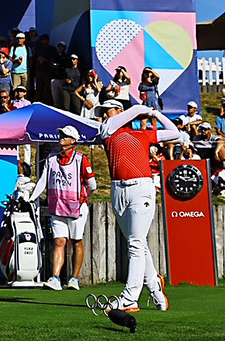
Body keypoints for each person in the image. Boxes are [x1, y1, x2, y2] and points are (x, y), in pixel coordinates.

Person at [98, 100, 180, 311]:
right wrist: (142, 110)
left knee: (135, 243)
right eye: (104, 111)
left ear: (120, 111)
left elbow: (175, 133)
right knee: (138, 244)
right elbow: (126, 115)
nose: (106, 114)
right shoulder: (107, 131)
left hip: (141, 187)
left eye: (110, 110)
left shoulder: (143, 135)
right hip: (118, 189)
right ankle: (155, 288)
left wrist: (154, 113)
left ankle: (129, 298)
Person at [28, 125, 97, 291]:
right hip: (57, 207)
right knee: (59, 241)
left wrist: (83, 197)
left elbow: (92, 184)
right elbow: (43, 181)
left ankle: (74, 278)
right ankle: (55, 278)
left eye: (65, 135)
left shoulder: (81, 159)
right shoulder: (52, 159)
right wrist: (31, 199)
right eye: (61, 135)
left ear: (73, 141)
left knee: (76, 241)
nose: (61, 137)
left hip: (76, 208)